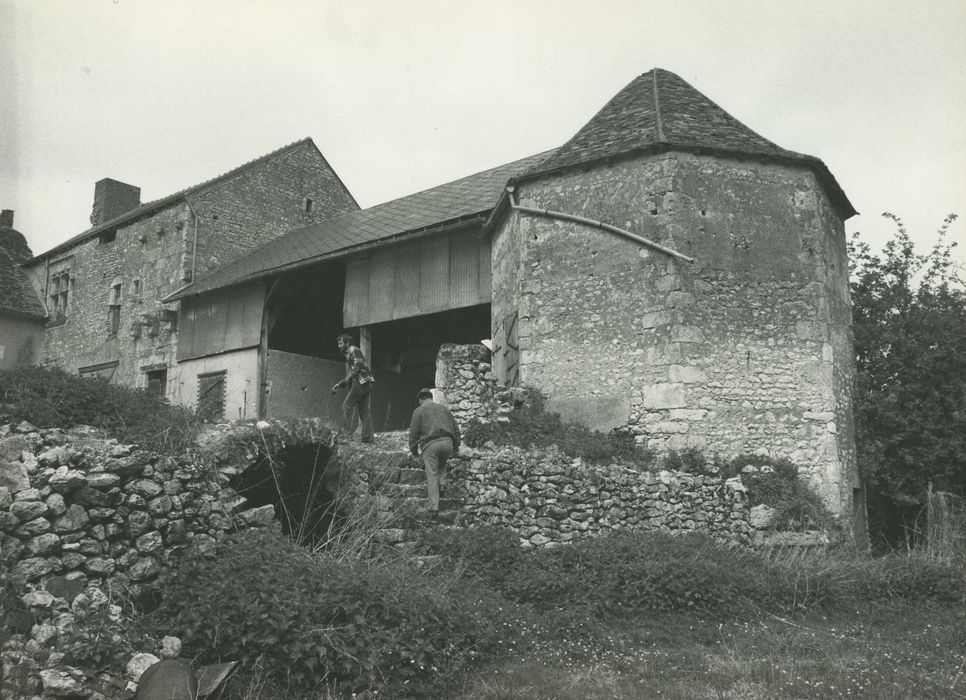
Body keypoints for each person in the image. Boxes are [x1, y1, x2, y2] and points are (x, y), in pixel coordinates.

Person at [408, 388, 461, 514]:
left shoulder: (419, 410)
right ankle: (442, 485)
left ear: (420, 400)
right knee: (441, 463)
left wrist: (414, 451)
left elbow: (414, 434)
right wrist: (456, 447)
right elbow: (456, 429)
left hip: (431, 444)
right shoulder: (444, 408)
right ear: (431, 398)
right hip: (448, 443)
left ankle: (433, 506)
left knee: (431, 474)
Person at [330, 334, 375, 443]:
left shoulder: (353, 350)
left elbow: (357, 365)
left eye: (340, 343)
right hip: (366, 384)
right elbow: (351, 373)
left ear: (347, 343)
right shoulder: (348, 354)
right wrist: (341, 384)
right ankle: (367, 437)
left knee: (347, 405)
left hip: (360, 383)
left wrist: (348, 380)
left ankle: (346, 435)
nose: (338, 346)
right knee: (364, 410)